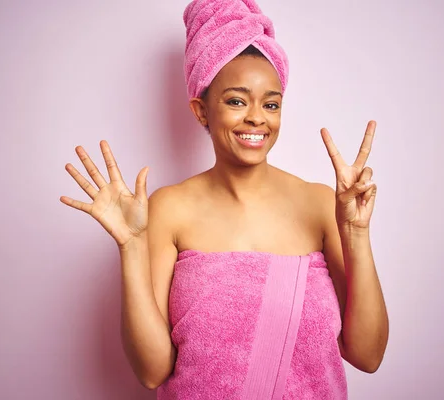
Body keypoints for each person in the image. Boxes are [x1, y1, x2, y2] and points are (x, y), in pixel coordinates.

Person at [60, 0, 388, 398]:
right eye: (236, 100)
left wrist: (355, 232)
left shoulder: (320, 205)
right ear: (201, 111)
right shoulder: (170, 209)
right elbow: (152, 371)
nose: (256, 117)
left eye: (271, 104)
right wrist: (131, 246)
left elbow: (368, 355)